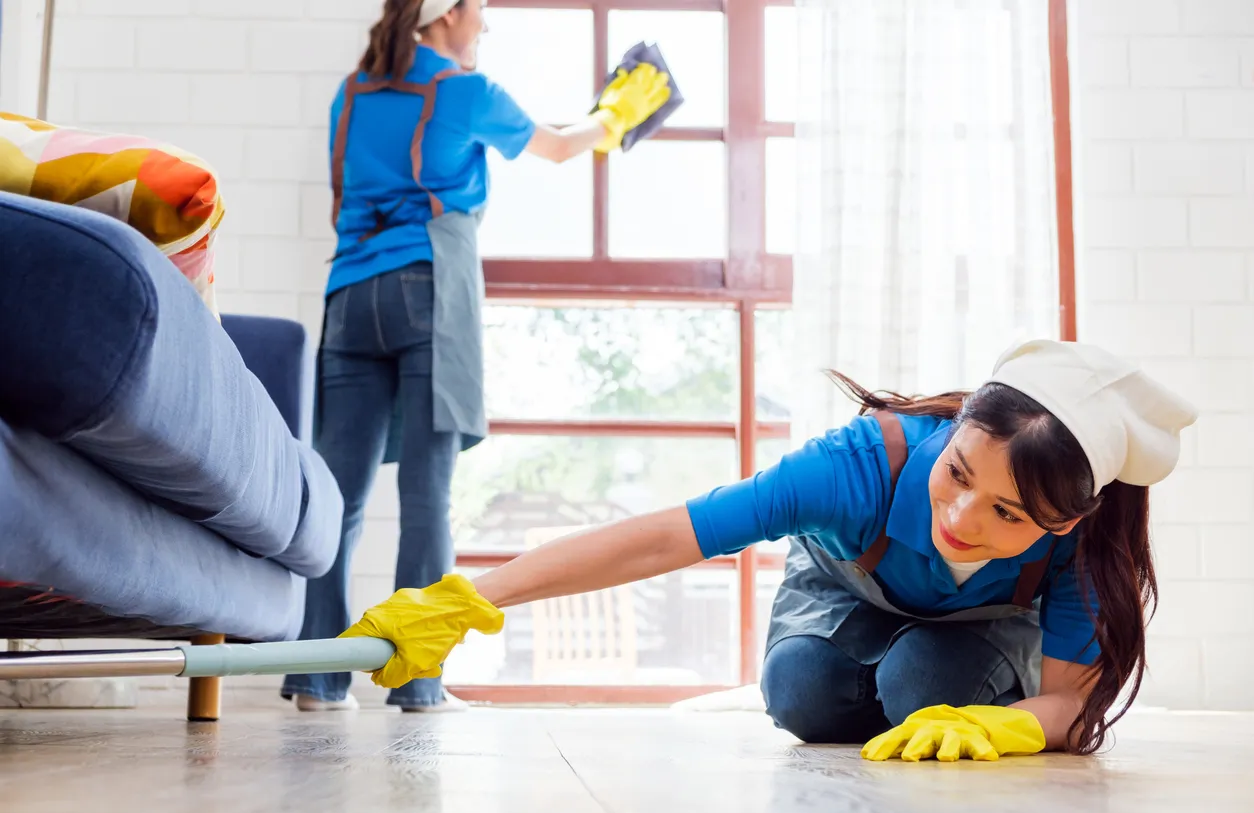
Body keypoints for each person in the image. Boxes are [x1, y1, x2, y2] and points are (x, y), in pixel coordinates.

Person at [343, 339, 1198, 761]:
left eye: (1007, 513)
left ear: (1060, 524)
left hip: (971, 631)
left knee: (923, 688)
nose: (964, 517)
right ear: (956, 427)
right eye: (960, 471)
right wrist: (471, 597)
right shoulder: (862, 467)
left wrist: (1007, 727)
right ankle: (886, 693)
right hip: (845, 596)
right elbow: (666, 536)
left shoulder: (1088, 554)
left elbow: (1067, 702)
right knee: (800, 691)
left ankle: (919, 690)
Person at [281, 0, 672, 713]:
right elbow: (556, 147)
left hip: (347, 296)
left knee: (337, 498)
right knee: (427, 496)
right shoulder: (466, 91)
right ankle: (419, 682)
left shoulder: (353, 90)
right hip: (427, 285)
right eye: (479, 15)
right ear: (447, 16)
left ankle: (317, 679)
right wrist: (614, 118)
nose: (484, 30)